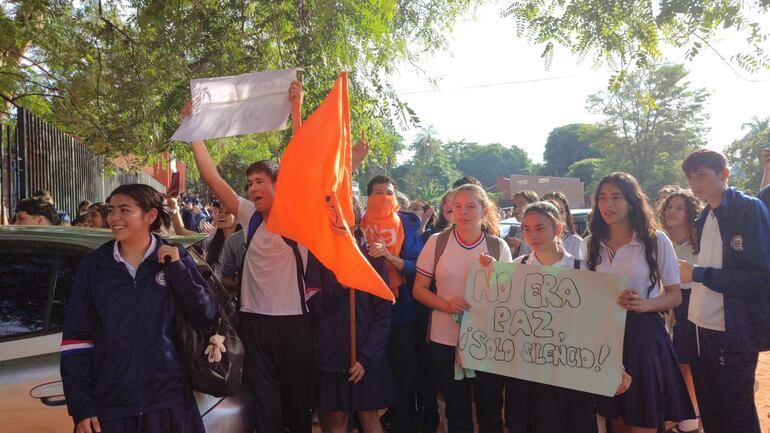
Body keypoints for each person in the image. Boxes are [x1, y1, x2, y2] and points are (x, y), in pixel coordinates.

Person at [60, 183, 217, 433]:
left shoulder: (175, 258)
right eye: (112, 210)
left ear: (150, 216)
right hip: (112, 408)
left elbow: (207, 314)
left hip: (169, 402)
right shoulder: (94, 267)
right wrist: (82, 406)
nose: (114, 218)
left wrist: (178, 271)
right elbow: (76, 340)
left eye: (125, 210)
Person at [581, 172, 694, 433]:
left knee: (642, 420)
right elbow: (584, 293)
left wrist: (644, 305)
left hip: (643, 337)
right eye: (602, 198)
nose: (608, 205)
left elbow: (674, 295)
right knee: (613, 419)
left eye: (616, 197)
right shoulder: (589, 244)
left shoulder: (656, 240)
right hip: (603, 337)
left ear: (632, 201)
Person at [506, 201, 631, 433]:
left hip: (571, 369)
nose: (532, 234)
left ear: (559, 229)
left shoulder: (583, 270)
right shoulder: (514, 268)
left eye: (540, 227)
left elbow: (602, 323)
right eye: (526, 228)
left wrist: (616, 366)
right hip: (526, 368)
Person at [678, 149, 770, 433]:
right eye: (691, 178)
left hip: (732, 332)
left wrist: (697, 274)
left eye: (702, 175)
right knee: (711, 410)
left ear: (724, 173)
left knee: (737, 412)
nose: (696, 184)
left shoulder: (748, 208)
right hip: (699, 329)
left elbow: (759, 276)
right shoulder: (705, 217)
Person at [413, 184, 512, 433]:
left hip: (487, 341)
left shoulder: (498, 247)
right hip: (444, 340)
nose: (463, 212)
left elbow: (508, 298)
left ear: (485, 210)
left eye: (470, 207)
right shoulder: (437, 243)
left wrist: (495, 274)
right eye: (458, 207)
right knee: (457, 413)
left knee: (490, 412)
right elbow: (419, 290)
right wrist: (446, 305)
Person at [307, 198, 396, 433]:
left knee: (369, 418)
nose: (339, 218)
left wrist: (367, 357)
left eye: (346, 212)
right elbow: (314, 304)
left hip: (366, 358)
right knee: (337, 420)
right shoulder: (316, 256)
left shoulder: (372, 256)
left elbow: (383, 313)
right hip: (330, 357)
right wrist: (341, 286)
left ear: (356, 216)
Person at [361, 175, 423, 433]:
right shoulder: (357, 225)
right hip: (366, 315)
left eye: (389, 192)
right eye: (377, 192)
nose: (384, 197)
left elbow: (416, 269)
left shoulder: (406, 228)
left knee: (401, 379)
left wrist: (388, 256)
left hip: (400, 313)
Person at [658, 189, 702, 433]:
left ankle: (691, 418)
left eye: (679, 207)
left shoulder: (701, 241)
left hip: (689, 305)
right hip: (660, 304)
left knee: (686, 363)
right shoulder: (658, 240)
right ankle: (673, 414)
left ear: (691, 212)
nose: (672, 211)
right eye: (669, 207)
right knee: (668, 363)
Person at [202, 200, 241, 279]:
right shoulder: (213, 240)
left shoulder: (242, 244)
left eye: (227, 213)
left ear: (237, 219)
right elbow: (183, 233)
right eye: (219, 212)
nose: (221, 215)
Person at [542, 191, 583, 256]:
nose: (557, 215)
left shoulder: (577, 243)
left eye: (561, 211)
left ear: (567, 214)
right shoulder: (533, 242)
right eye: (552, 211)